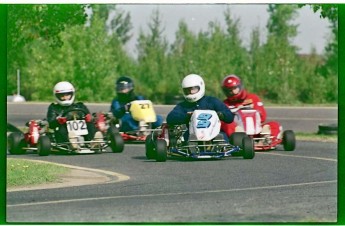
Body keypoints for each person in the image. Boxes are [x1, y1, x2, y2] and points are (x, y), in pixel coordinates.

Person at [166, 74, 234, 142]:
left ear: (201, 87)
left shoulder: (212, 101)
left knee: (222, 136)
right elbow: (170, 118)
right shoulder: (184, 106)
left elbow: (230, 116)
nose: (190, 92)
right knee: (185, 137)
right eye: (187, 90)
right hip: (192, 134)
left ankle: (223, 147)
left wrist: (221, 115)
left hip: (214, 133)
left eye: (193, 89)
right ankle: (192, 147)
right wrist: (186, 117)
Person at [220, 74, 282, 140]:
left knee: (274, 124)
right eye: (229, 90)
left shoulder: (253, 98)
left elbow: (263, 117)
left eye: (235, 89)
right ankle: (239, 139)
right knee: (227, 124)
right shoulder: (225, 104)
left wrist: (251, 109)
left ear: (240, 87)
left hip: (256, 130)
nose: (232, 92)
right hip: (238, 130)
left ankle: (266, 138)